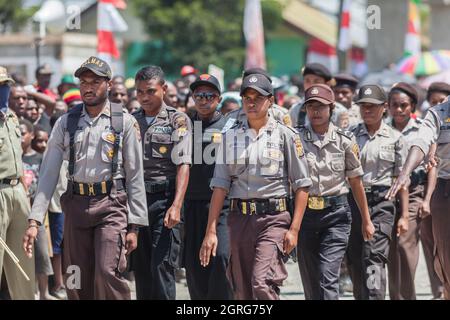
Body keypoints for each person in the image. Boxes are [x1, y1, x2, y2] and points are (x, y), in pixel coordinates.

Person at [23, 56, 148, 300]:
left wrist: (135, 226)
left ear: (108, 85)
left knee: (106, 271)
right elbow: (48, 174)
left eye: (95, 81)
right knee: (75, 277)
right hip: (76, 205)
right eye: (84, 82)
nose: (88, 87)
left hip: (112, 205)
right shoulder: (66, 122)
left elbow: (135, 176)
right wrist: (35, 220)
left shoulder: (123, 121)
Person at [200, 74, 312, 300]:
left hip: (274, 219)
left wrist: (295, 229)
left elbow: (302, 185)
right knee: (242, 289)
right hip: (239, 219)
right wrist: (210, 230)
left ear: (270, 101)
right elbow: (220, 186)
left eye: (257, 98)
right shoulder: (230, 137)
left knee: (262, 283)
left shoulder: (286, 136)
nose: (251, 102)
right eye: (247, 97)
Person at [296, 84, 374, 300]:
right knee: (311, 282)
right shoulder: (295, 140)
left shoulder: (345, 140)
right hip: (306, 217)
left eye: (321, 106)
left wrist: (366, 219)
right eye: (311, 106)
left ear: (331, 108)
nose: (315, 111)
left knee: (327, 276)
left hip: (336, 216)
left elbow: (356, 182)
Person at [131, 66, 192, 300]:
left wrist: (176, 205)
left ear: (164, 89)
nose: (144, 97)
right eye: (139, 92)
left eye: (150, 91)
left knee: (162, 266)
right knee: (142, 269)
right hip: (137, 201)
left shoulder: (178, 120)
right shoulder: (131, 121)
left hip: (165, 200)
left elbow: (183, 164)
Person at [387, 83, 450, 300]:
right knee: (445, 260)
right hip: (446, 191)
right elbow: (421, 142)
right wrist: (405, 172)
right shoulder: (438, 114)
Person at [347, 84, 409, 300]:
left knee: (374, 255)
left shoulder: (395, 138)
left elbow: (402, 180)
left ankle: (375, 297)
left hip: (382, 201)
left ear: (384, 107)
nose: (367, 111)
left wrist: (405, 215)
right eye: (363, 106)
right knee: (355, 258)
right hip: (353, 201)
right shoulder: (349, 135)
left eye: (373, 106)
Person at [183, 74, 232, 299]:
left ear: (218, 98)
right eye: (199, 95)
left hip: (222, 205)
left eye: (209, 95)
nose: (203, 100)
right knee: (194, 267)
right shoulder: (184, 126)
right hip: (191, 205)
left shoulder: (230, 127)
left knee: (221, 258)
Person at [0, 66, 35, 300]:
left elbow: (18, 160)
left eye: (5, 85)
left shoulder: (11, 116)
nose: (4, 90)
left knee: (24, 259)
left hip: (17, 191)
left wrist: (24, 193)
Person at [19, 119, 56, 300]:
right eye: (18, 133)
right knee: (24, 253)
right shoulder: (15, 158)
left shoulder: (39, 158)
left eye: (23, 133)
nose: (20, 137)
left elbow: (46, 183)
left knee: (41, 254)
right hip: (19, 211)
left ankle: (44, 293)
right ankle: (29, 293)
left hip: (36, 213)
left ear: (31, 135)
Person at [289, 63, 345, 127]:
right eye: (307, 81)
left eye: (317, 81)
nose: (311, 85)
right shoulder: (295, 109)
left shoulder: (339, 111)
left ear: (327, 84)